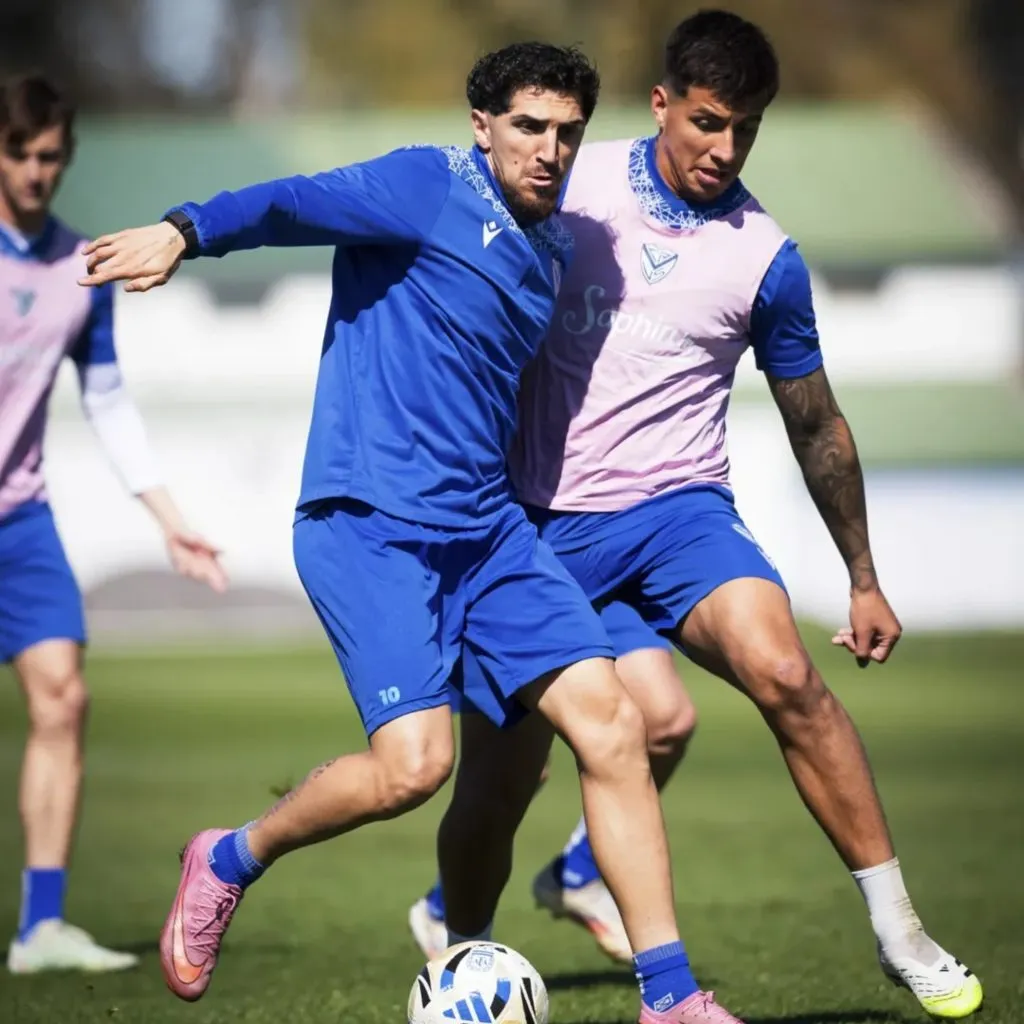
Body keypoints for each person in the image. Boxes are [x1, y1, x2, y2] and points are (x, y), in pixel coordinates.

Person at [79, 43, 744, 1024]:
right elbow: (288, 203)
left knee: (615, 725)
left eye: (567, 133)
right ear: (482, 125)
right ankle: (228, 858)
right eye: (527, 126)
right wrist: (185, 232)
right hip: (371, 526)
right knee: (414, 769)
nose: (549, 150)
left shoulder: (554, 249)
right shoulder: (423, 186)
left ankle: (671, 998)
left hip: (490, 533)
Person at [412, 12, 983, 1022]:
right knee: (499, 782)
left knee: (787, 674)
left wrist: (861, 576)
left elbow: (816, 423)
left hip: (679, 514)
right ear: (662, 103)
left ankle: (899, 931)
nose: (725, 148)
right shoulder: (566, 182)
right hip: (533, 525)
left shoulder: (766, 258)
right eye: (708, 122)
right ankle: (459, 953)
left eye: (746, 129)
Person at [0, 74, 227, 974]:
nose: (36, 171)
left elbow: (105, 398)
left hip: (21, 519)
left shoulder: (80, 268)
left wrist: (169, 519)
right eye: (20, 154)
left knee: (63, 697)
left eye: (50, 156)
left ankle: (41, 928)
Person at [409, 605, 695, 965]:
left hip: (599, 575)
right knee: (513, 769)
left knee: (665, 721)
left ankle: (578, 873)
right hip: (520, 583)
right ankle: (447, 909)